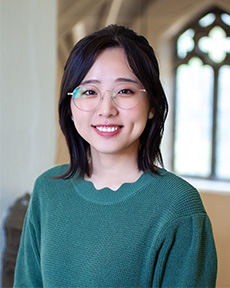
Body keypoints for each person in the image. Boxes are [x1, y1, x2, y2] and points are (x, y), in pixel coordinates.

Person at [14, 24, 217, 287]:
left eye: (125, 91)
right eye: (89, 92)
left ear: (152, 105)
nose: (106, 109)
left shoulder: (178, 206)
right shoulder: (48, 189)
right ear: (71, 106)